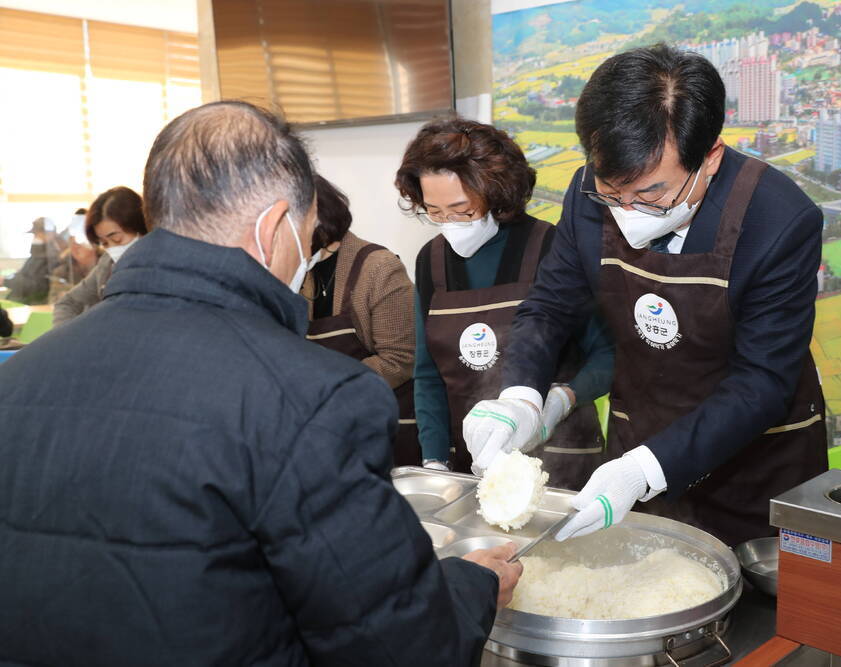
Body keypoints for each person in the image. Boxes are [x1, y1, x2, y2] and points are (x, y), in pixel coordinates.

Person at [0, 100, 520, 666]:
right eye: (305, 229)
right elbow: (394, 644)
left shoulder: (22, 376)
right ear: (274, 226)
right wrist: (471, 588)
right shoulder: (311, 398)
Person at [464, 44, 827, 547]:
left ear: (711, 159)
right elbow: (551, 304)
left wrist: (645, 469)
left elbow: (762, 382)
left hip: (756, 467)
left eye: (652, 194)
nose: (626, 211)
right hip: (639, 436)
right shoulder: (585, 193)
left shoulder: (778, 220)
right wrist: (522, 396)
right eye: (611, 192)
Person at [396, 117, 614, 489]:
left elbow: (609, 355)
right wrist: (434, 461)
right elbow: (428, 374)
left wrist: (562, 399)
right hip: (474, 464)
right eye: (434, 211)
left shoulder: (553, 249)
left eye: (462, 210)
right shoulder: (429, 262)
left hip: (559, 460)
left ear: (495, 192)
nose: (449, 223)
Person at [301, 174, 420, 466]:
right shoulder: (298, 271)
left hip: (382, 424)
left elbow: (400, 360)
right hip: (326, 427)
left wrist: (328, 390)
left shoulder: (379, 269)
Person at [53, 187, 148, 326]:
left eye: (117, 239)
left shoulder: (162, 266)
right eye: (104, 243)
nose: (112, 248)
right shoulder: (107, 264)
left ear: (140, 228)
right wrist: (65, 338)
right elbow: (68, 302)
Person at [0, 217, 61, 304]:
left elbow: (37, 286)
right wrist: (9, 278)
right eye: (34, 235)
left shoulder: (49, 258)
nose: (35, 238)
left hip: (34, 303)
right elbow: (24, 274)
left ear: (50, 234)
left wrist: (6, 281)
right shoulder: (36, 255)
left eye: (37, 234)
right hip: (23, 300)